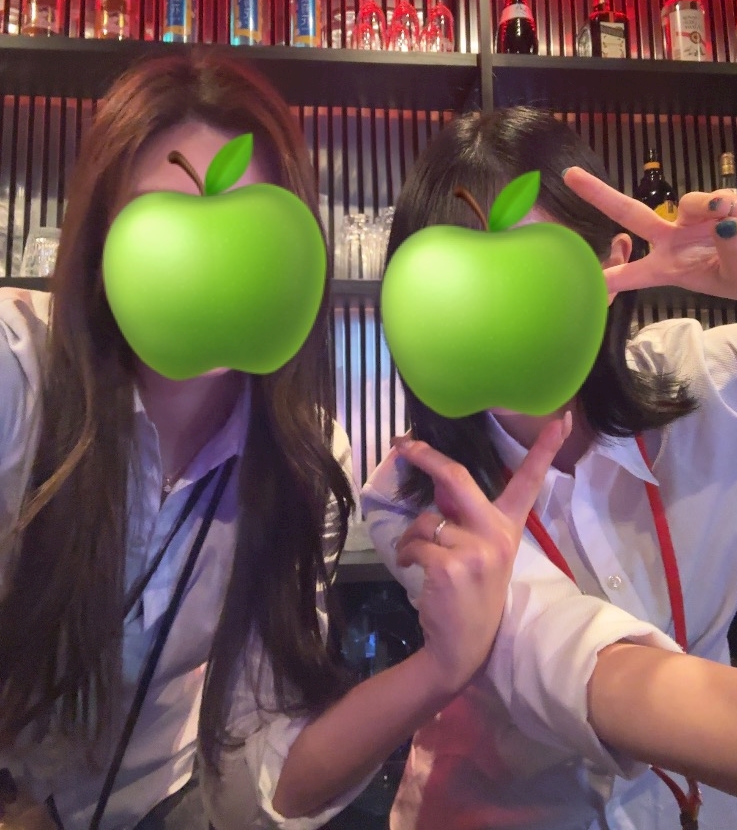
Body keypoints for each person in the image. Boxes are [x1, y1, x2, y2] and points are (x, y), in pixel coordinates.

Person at [0, 54, 572, 830]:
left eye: (250, 229)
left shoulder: (306, 460)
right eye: (166, 223)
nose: (212, 261)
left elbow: (260, 775)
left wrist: (444, 665)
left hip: (165, 801)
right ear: (99, 243)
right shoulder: (20, 376)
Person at [361, 106, 737, 829]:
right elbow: (569, 658)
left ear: (615, 264)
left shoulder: (713, 382)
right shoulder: (410, 494)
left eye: (536, 276)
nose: (500, 316)